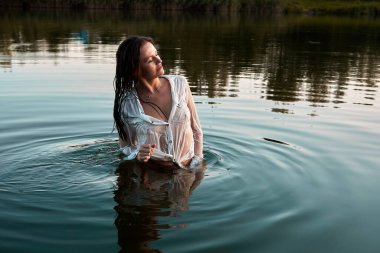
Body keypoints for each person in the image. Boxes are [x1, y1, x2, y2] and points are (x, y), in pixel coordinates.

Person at [113, 36, 203, 168]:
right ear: (135, 71)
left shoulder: (180, 85)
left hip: (188, 175)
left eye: (156, 54)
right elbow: (125, 148)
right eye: (150, 60)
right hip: (153, 179)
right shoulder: (127, 105)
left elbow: (196, 130)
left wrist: (197, 167)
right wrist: (137, 154)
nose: (159, 60)